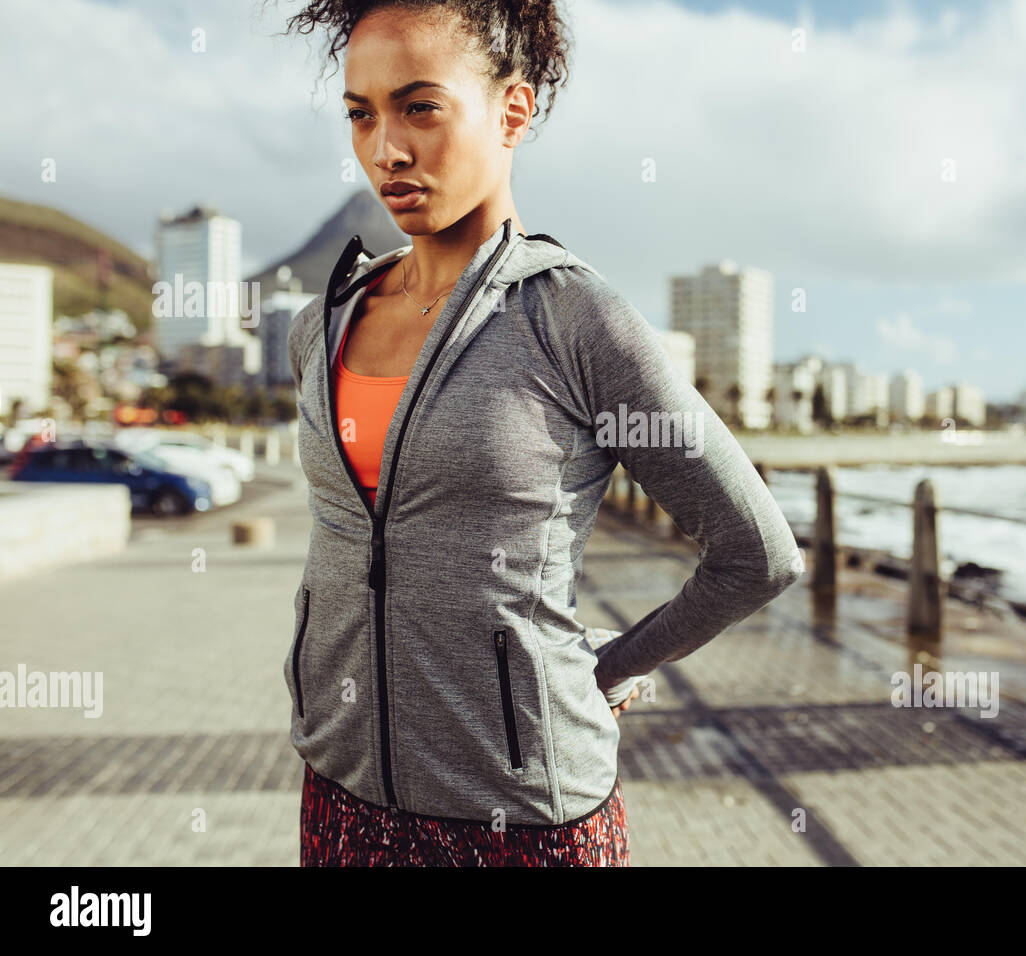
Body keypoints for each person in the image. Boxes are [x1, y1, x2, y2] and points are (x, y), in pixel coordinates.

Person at [279, 0, 803, 867]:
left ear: (512, 111)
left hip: (524, 820)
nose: (386, 150)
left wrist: (598, 672)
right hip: (339, 799)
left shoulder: (573, 319)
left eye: (420, 107)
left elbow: (755, 551)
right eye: (361, 115)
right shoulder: (321, 327)